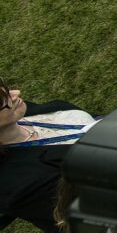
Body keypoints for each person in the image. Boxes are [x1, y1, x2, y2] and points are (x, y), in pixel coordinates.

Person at [0, 78, 97, 232]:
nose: (15, 93)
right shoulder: (22, 184)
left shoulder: (20, 113)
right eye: (1, 100)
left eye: (5, 88)